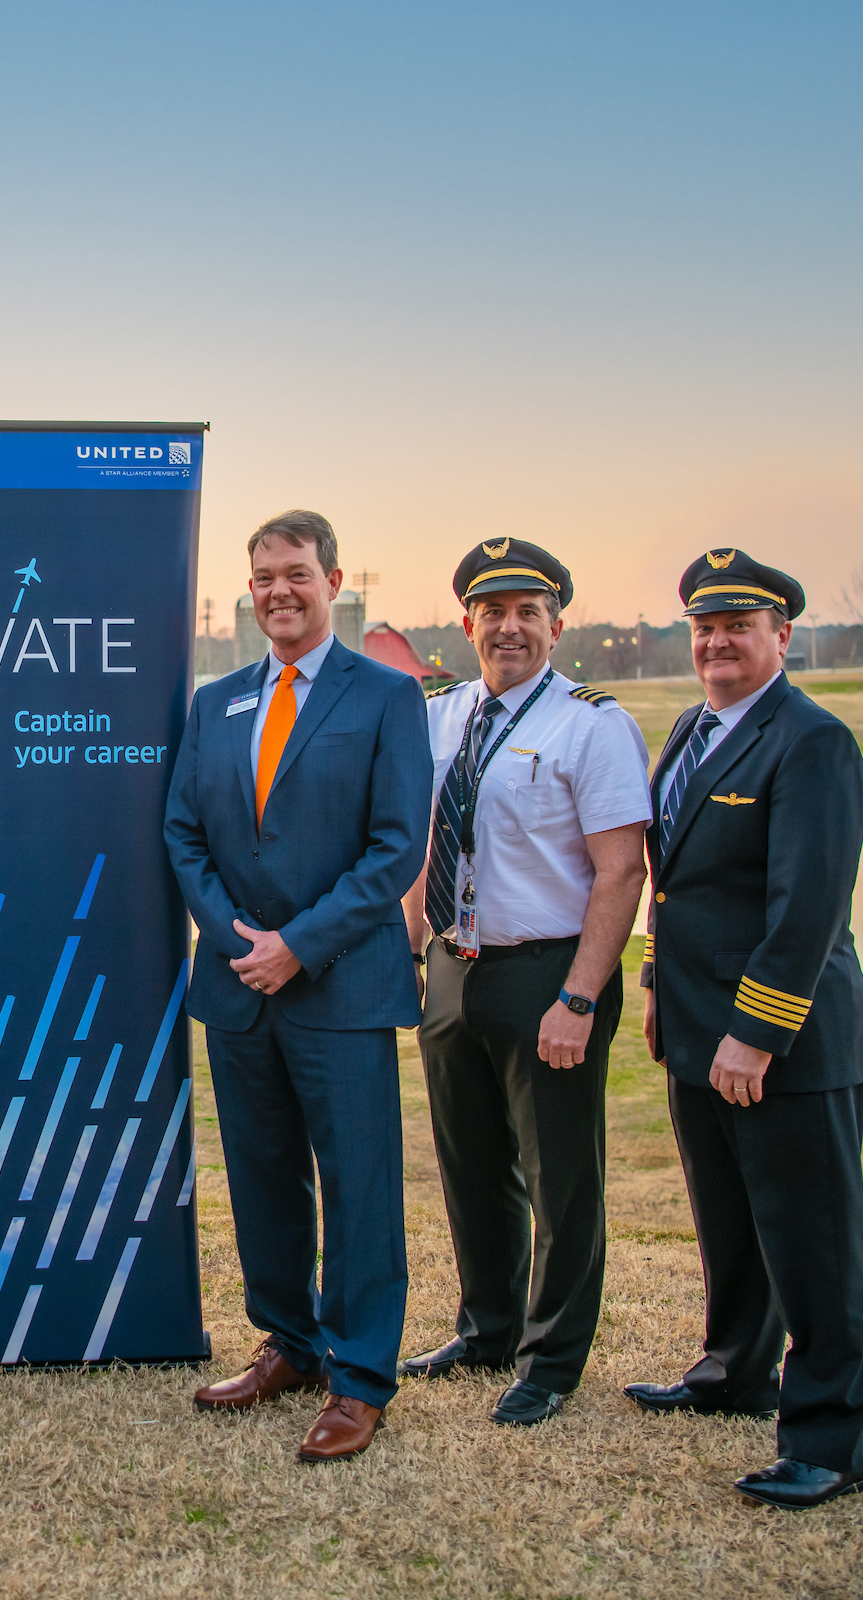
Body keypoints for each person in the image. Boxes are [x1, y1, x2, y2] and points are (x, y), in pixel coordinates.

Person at [164, 510, 435, 1463]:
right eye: (265, 577)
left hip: (341, 986)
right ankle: (290, 1342)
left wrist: (299, 943)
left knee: (358, 1187)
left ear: (333, 579)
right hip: (239, 984)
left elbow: (396, 846)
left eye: (297, 574)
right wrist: (237, 936)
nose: (280, 590)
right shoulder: (217, 702)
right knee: (263, 1174)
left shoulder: (387, 697)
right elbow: (183, 834)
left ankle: (360, 1378)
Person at [628, 549, 863, 1511]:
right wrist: (654, 983)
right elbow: (677, 884)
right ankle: (733, 1373)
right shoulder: (695, 727)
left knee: (811, 1242)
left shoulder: (811, 741)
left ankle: (826, 1441)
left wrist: (757, 1034)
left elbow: (805, 909)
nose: (718, 642)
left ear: (783, 636)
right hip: (696, 1029)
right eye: (704, 627)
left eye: (739, 626)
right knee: (729, 1223)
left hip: (784, 1044)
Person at [398, 540, 651, 1427]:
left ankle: (550, 1362)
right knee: (470, 1164)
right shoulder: (440, 715)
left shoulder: (591, 723)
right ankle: (487, 1326)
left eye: (527, 612)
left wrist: (580, 997)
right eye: (492, 611)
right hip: (454, 964)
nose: (509, 628)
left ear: (554, 622)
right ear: (466, 621)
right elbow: (417, 844)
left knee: (561, 1178)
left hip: (549, 968)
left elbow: (621, 873)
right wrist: (410, 949)